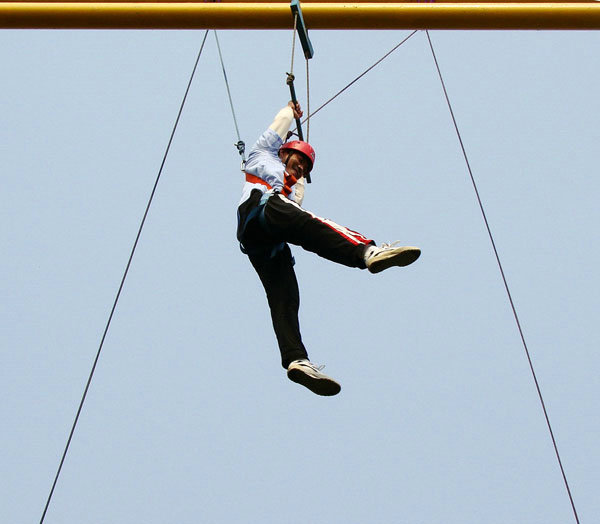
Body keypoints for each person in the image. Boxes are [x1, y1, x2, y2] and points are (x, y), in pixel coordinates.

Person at [237, 101, 420, 397]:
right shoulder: (263, 156)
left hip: (263, 242)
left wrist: (297, 183)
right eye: (298, 160)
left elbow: (296, 208)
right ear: (283, 153)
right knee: (313, 224)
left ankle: (296, 360)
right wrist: (290, 112)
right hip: (261, 211)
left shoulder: (293, 190)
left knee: (285, 297)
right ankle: (368, 252)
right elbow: (276, 130)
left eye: (305, 167)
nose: (300, 167)